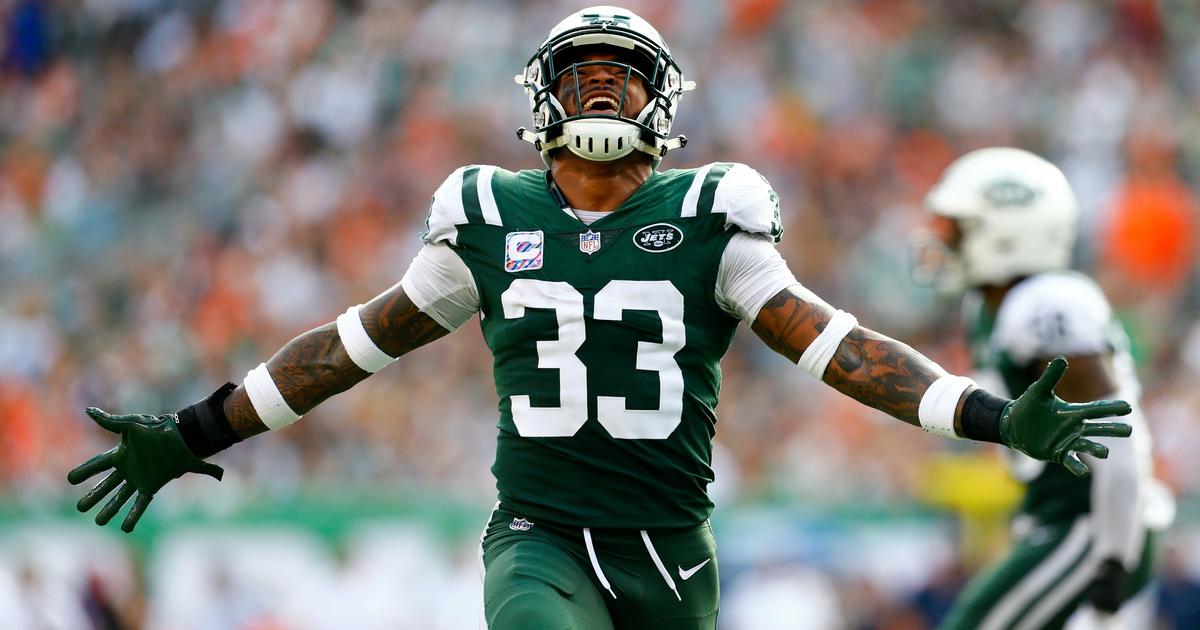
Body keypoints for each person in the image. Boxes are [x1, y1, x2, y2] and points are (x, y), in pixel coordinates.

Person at [68, 7, 1134, 629]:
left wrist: (993, 419)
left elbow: (837, 346)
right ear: (543, 98)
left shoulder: (716, 217)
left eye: (625, 80)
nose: (605, 97)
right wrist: (198, 428)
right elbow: (349, 348)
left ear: (662, 102)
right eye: (584, 79)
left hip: (670, 551)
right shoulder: (489, 215)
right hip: (538, 535)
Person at [913, 147, 1172, 630]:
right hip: (1062, 520)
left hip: (1092, 523)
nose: (941, 241)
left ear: (1007, 233)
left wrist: (1116, 551)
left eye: (957, 229)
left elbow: (1117, 432)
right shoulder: (990, 303)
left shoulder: (1045, 303)